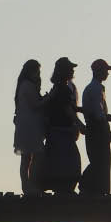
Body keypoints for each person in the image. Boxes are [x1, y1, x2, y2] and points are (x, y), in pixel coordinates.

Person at [41, 57, 82, 194]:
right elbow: (67, 109)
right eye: (70, 68)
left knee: (61, 161)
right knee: (68, 161)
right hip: (61, 131)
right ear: (64, 71)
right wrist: (80, 125)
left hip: (57, 131)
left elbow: (69, 108)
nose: (72, 70)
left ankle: (62, 188)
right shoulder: (63, 88)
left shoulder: (59, 87)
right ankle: (64, 189)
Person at [79, 59, 111, 196]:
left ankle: (97, 189)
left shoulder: (94, 88)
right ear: (99, 71)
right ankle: (90, 186)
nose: (107, 73)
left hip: (97, 128)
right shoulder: (95, 89)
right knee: (101, 160)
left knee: (100, 160)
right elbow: (98, 113)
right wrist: (107, 119)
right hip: (96, 128)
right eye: (106, 70)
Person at [13, 59, 46, 195]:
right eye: (36, 72)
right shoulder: (27, 85)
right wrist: (49, 98)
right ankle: (29, 186)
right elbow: (36, 105)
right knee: (33, 156)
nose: (38, 75)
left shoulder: (24, 85)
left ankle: (28, 186)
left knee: (27, 158)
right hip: (29, 127)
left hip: (26, 126)